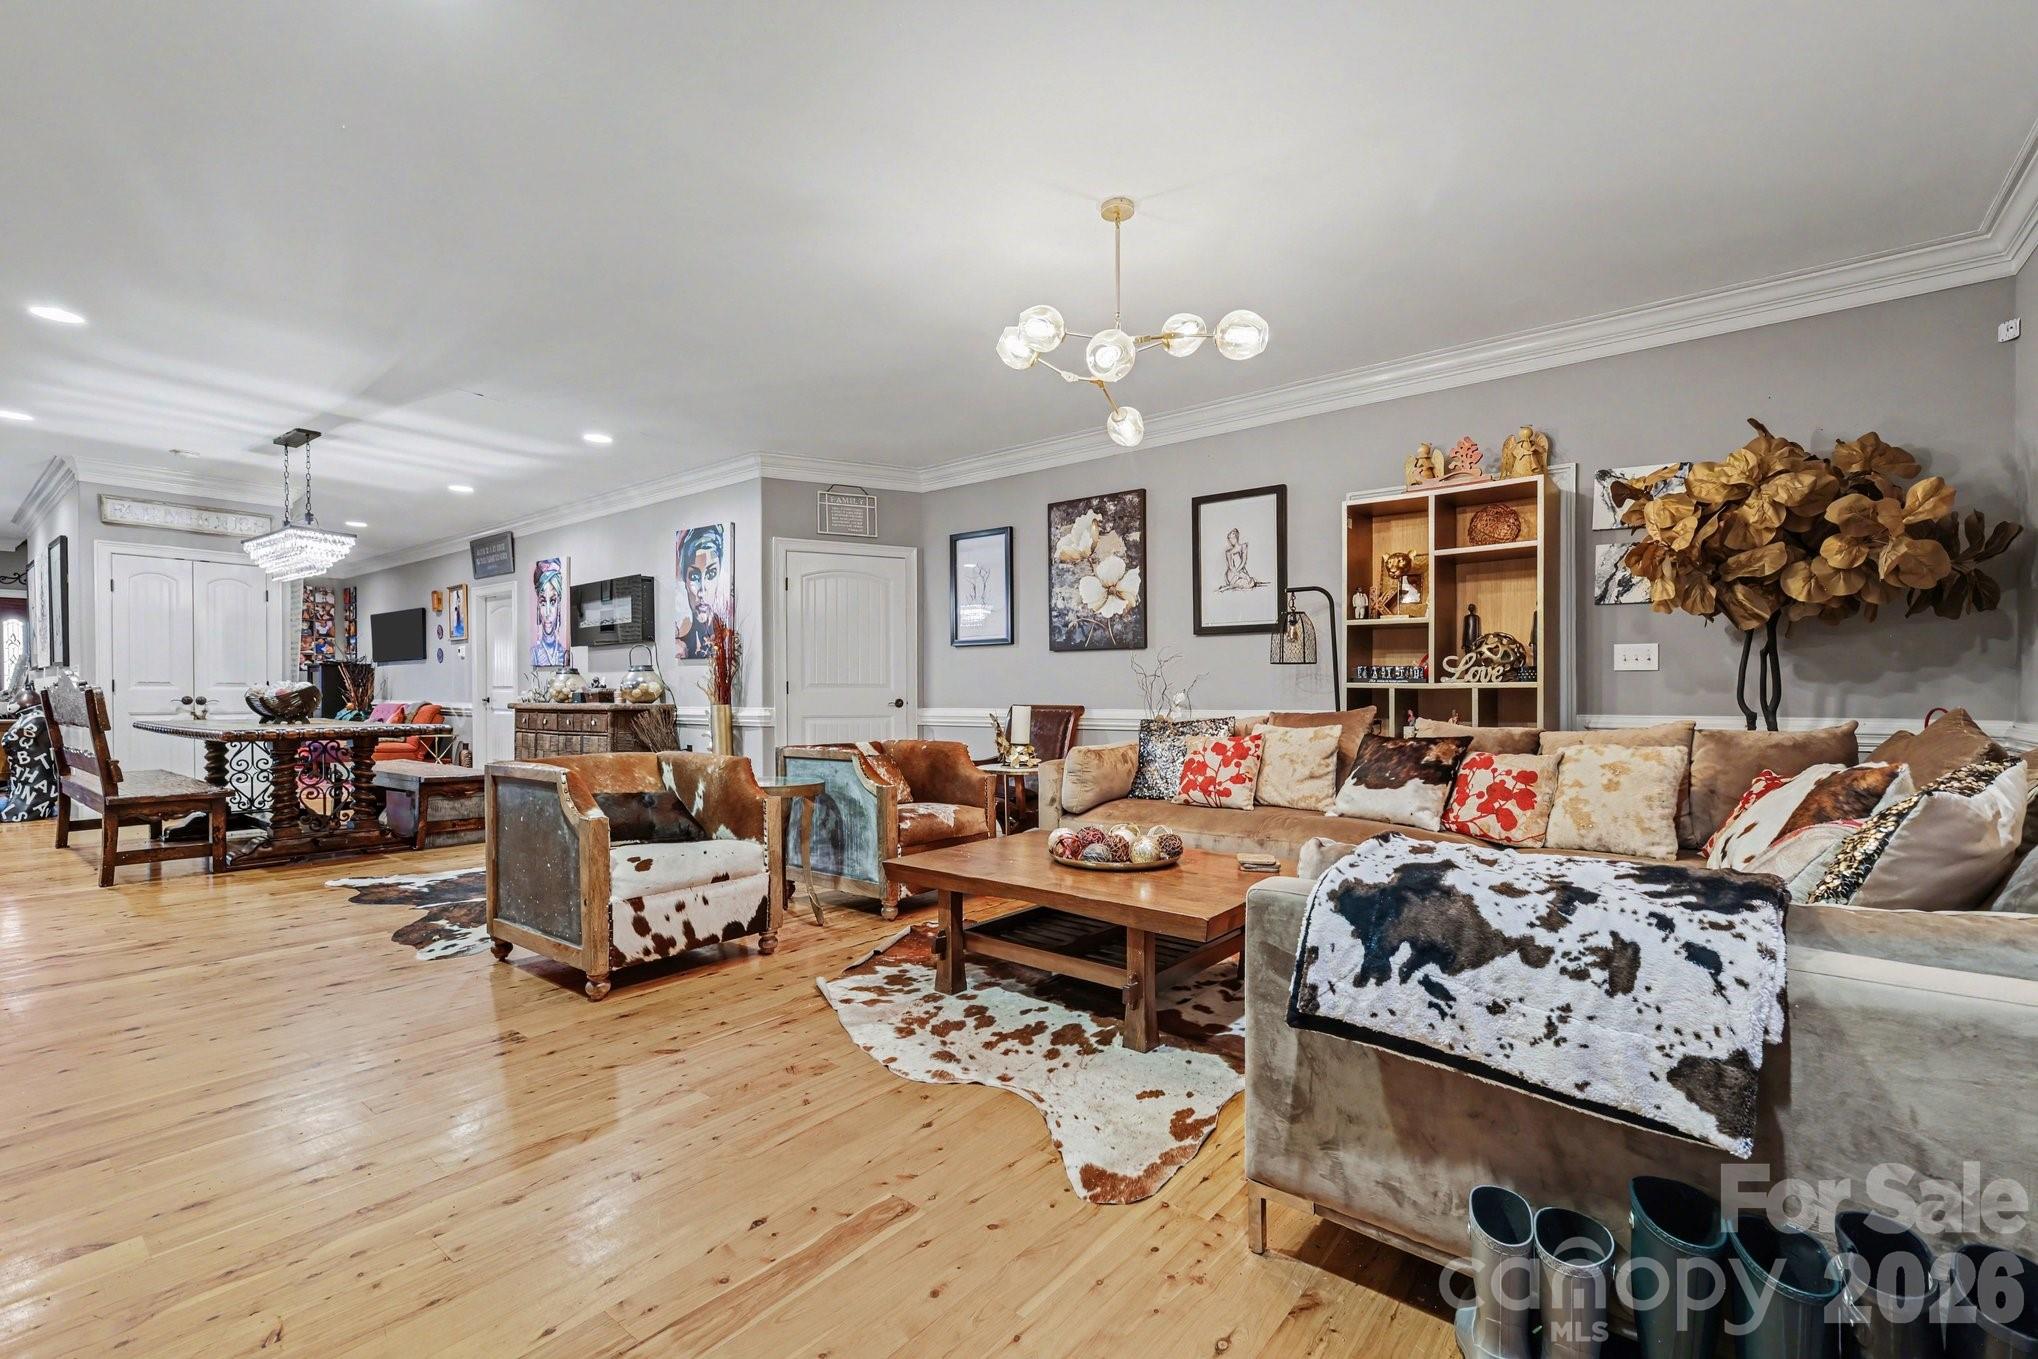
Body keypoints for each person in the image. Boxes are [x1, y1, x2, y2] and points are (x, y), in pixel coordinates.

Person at [676, 525, 730, 660]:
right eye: (694, 576)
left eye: (711, 574)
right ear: (685, 580)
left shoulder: (729, 640)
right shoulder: (681, 648)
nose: (702, 591)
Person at [530, 559, 568, 666]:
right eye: (543, 602)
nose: (547, 612)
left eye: (552, 602)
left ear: (558, 605)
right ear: (538, 607)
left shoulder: (565, 655)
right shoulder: (533, 654)